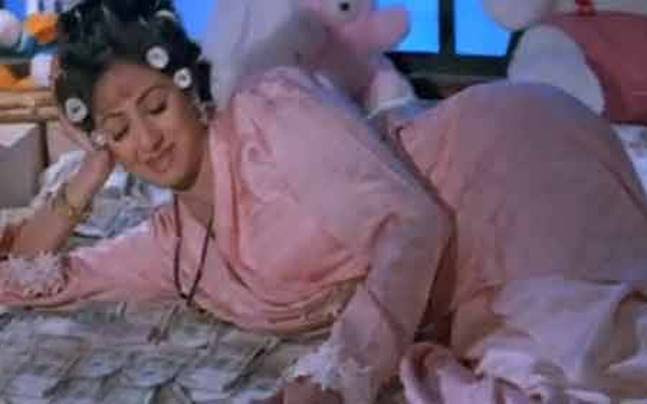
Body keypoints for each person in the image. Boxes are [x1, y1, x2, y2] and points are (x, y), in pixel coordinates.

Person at [2, 1, 647, 403]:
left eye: (155, 107)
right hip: (452, 264)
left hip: (506, 163)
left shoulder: (270, 112)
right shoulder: (173, 245)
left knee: (575, 358)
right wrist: (90, 175)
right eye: (120, 130)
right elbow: (27, 278)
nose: (147, 141)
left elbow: (411, 221)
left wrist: (340, 374)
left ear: (188, 90)